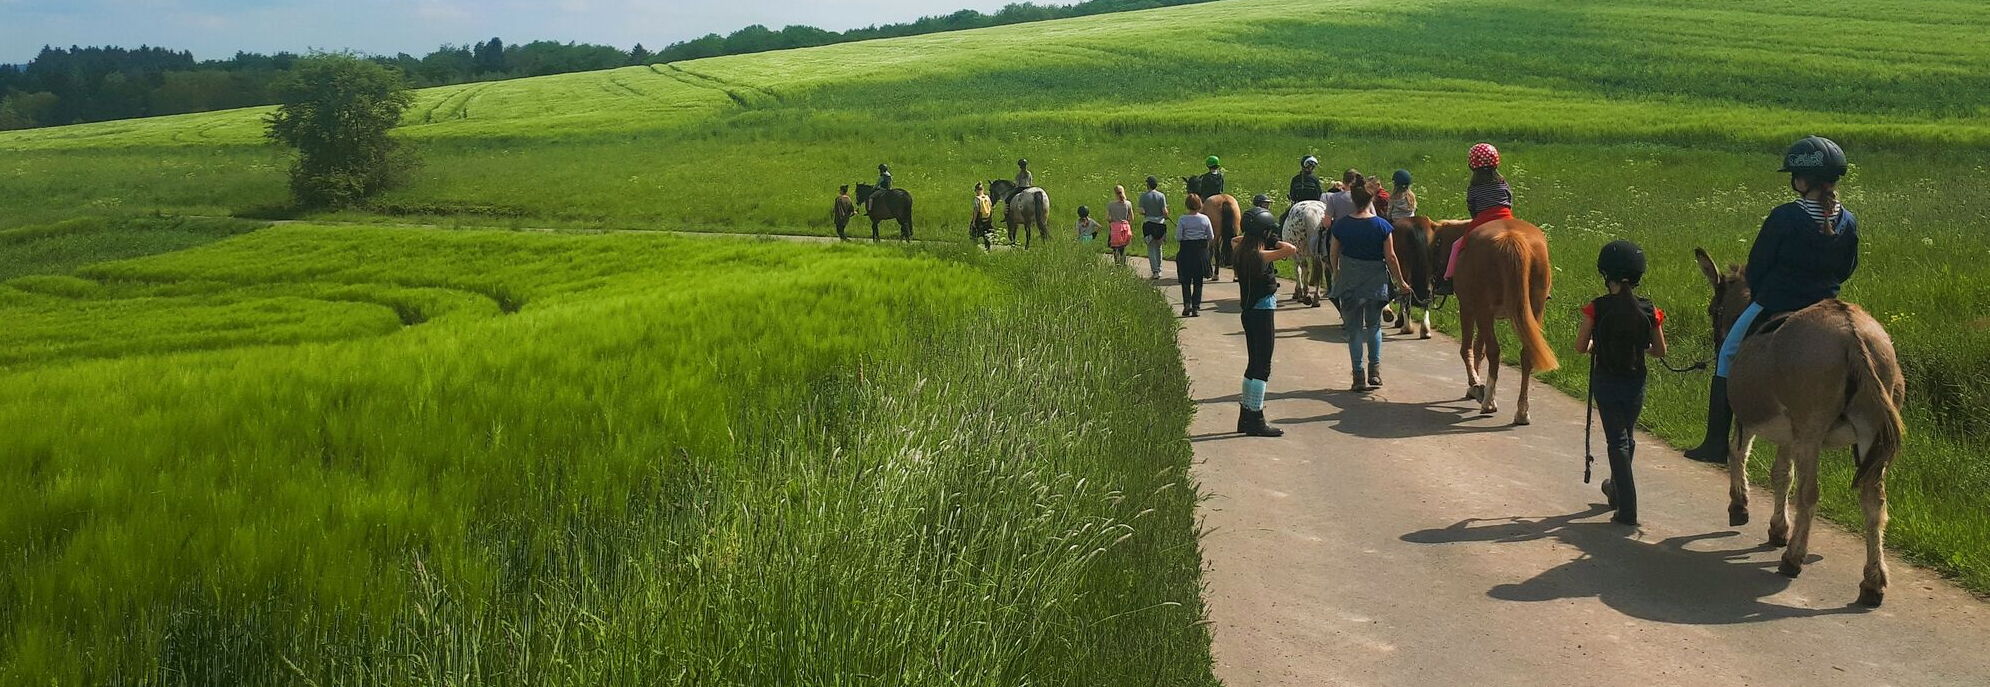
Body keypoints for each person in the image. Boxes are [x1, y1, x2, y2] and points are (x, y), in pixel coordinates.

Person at [1685, 135, 1860, 464]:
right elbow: (1848, 268)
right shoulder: (1848, 221)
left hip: (1776, 302)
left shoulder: (1785, 217)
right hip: (1826, 305)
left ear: (1801, 180)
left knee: (1727, 353)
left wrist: (1768, 294)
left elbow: (1758, 266)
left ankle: (1715, 443)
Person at [1576, 240, 1669, 526]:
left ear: (1606, 275)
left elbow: (1581, 346)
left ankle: (1627, 508)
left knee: (1617, 441)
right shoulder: (1650, 310)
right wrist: (1639, 348)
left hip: (1606, 380)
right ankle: (1616, 490)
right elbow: (1660, 351)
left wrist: (1596, 345)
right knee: (1627, 438)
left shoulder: (1596, 308)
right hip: (1635, 381)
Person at [1328, 174, 1412, 390]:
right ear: (1371, 200)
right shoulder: (1382, 226)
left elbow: (1333, 253)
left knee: (1354, 329)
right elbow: (1391, 257)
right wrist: (1401, 282)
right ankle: (1374, 371)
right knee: (1374, 327)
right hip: (1375, 281)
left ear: (1354, 201)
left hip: (1349, 281)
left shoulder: (1341, 225)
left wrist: (1337, 274)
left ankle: (1358, 375)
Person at [1232, 198, 1300, 437]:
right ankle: (1255, 417)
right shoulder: (1261, 256)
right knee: (1263, 366)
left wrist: (1262, 238)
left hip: (1248, 312)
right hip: (1263, 310)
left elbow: (1236, 239)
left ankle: (1246, 414)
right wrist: (1274, 240)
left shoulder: (1241, 251)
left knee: (1253, 364)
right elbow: (1290, 250)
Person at [1437, 143, 1513, 295]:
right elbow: (1509, 200)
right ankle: (1542, 286)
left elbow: (1472, 207)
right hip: (1506, 218)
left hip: (1483, 219)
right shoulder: (1502, 182)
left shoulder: (1474, 186)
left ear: (1472, 164)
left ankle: (1448, 280)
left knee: (1457, 246)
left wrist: (1476, 220)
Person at [1177, 194, 1214, 317]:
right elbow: (1211, 236)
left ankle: (1187, 304)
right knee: (1198, 281)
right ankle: (1196, 307)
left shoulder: (1182, 219)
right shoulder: (1205, 219)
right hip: (1200, 251)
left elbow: (1179, 237)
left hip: (1186, 251)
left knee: (1185, 280)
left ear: (1187, 205)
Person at [1139, 176, 1170, 279]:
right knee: (1159, 247)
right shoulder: (1161, 196)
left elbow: (1142, 211)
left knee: (1151, 248)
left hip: (1149, 224)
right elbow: (1165, 212)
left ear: (1147, 185)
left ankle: (1155, 271)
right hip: (1160, 224)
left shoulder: (1143, 196)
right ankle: (1160, 270)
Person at [1107, 185, 1135, 266]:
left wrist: (1112, 221)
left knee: (1115, 248)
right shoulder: (1128, 204)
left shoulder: (1111, 204)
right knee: (1123, 247)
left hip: (1115, 228)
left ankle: (1117, 265)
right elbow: (1131, 217)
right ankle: (1123, 264)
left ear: (1115, 193)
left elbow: (1107, 218)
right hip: (1124, 228)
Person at [970, 182, 995, 247]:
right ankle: (988, 248)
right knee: (987, 234)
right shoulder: (987, 198)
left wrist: (973, 222)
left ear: (976, 190)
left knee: (973, 233)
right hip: (988, 219)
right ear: (983, 189)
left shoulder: (977, 199)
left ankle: (974, 247)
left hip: (979, 219)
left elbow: (976, 211)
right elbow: (990, 208)